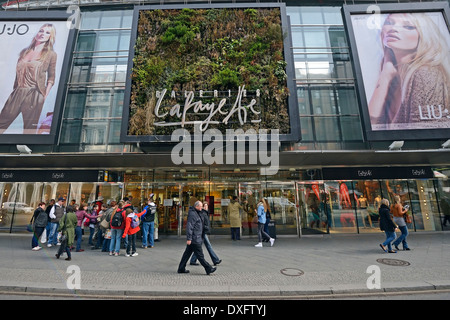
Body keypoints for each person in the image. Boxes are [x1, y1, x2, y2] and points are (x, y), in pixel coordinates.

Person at [368, 13, 450, 130]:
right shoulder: (393, 78)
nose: (393, 29)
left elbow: (423, 135)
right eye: (389, 23)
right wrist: (386, 74)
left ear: (423, 36)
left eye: (408, 27)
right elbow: (371, 125)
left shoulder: (425, 74)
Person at [0, 24, 58, 134]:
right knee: (2, 122)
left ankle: (27, 149)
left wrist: (44, 95)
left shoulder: (51, 54)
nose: (42, 34)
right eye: (41, 31)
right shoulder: (24, 52)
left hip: (35, 93)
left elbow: (51, 77)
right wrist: (14, 90)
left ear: (50, 37)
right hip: (18, 91)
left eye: (47, 33)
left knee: (29, 130)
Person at [177, 201, 216, 275]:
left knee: (187, 254)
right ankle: (208, 268)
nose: (202, 208)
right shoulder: (193, 214)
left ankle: (181, 268)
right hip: (195, 238)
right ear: (196, 206)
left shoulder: (198, 212)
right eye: (200, 206)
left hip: (197, 237)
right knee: (200, 255)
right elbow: (190, 227)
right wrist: (189, 238)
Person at [190, 202, 221, 266]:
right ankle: (215, 260)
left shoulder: (206, 213)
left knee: (198, 246)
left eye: (207, 206)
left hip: (203, 232)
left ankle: (193, 260)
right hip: (202, 232)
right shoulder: (203, 213)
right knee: (208, 246)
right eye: (204, 206)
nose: (206, 207)